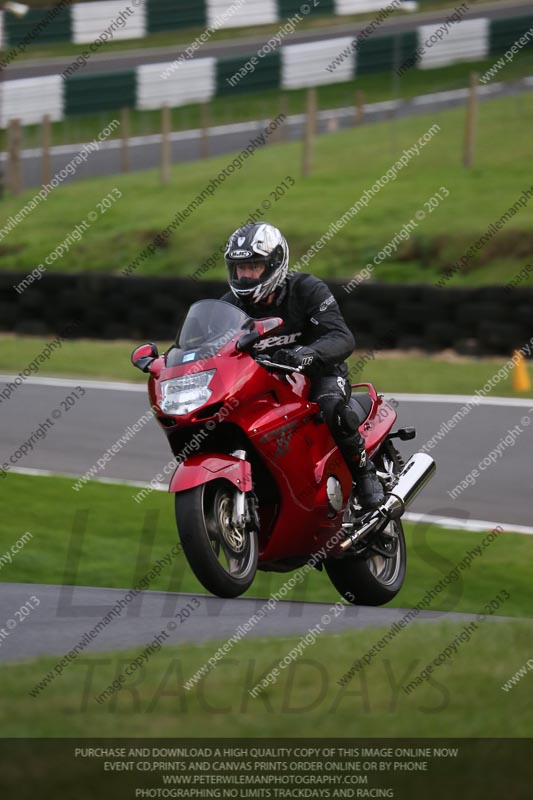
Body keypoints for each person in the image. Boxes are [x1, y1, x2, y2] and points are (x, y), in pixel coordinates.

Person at [221, 221, 385, 510]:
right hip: (263, 383)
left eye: (254, 266)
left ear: (274, 264)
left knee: (331, 405)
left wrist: (307, 354)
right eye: (239, 268)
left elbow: (341, 337)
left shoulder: (306, 289)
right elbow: (208, 348)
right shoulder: (229, 306)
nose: (245, 275)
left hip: (318, 373)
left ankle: (365, 474)